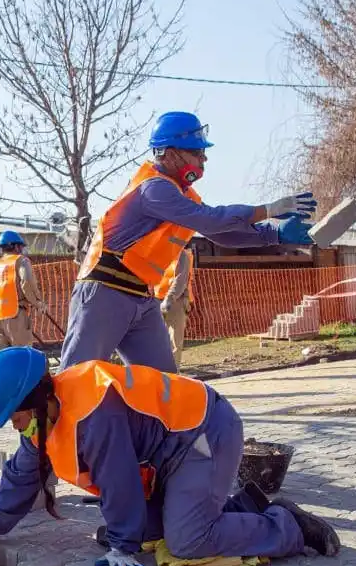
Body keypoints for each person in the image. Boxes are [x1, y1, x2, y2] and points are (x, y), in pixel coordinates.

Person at [0, 347, 339, 566]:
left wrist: (124, 546)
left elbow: (120, 483)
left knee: (187, 542)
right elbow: (19, 480)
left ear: (37, 401)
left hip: (203, 435)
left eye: (17, 417)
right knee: (125, 530)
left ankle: (287, 527)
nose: (15, 427)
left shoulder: (94, 413)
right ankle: (246, 507)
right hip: (170, 457)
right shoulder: (43, 423)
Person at [62, 111, 317, 373]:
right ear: (170, 153)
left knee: (163, 384)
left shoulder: (182, 194)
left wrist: (274, 234)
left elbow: (220, 233)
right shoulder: (153, 189)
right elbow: (211, 220)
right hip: (105, 290)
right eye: (195, 152)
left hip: (141, 296)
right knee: (76, 377)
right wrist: (269, 209)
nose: (203, 158)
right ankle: (45, 415)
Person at [0, 230, 48, 408]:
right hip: (15, 314)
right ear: (16, 246)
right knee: (24, 356)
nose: (22, 250)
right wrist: (38, 302)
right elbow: (26, 282)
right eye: (21, 247)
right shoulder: (20, 261)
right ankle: (30, 396)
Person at [155, 247, 195, 369]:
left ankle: (171, 374)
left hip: (175, 300)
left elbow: (180, 280)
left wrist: (169, 299)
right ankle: (158, 372)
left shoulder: (181, 255)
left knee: (174, 341)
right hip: (156, 298)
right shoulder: (158, 252)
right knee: (157, 339)